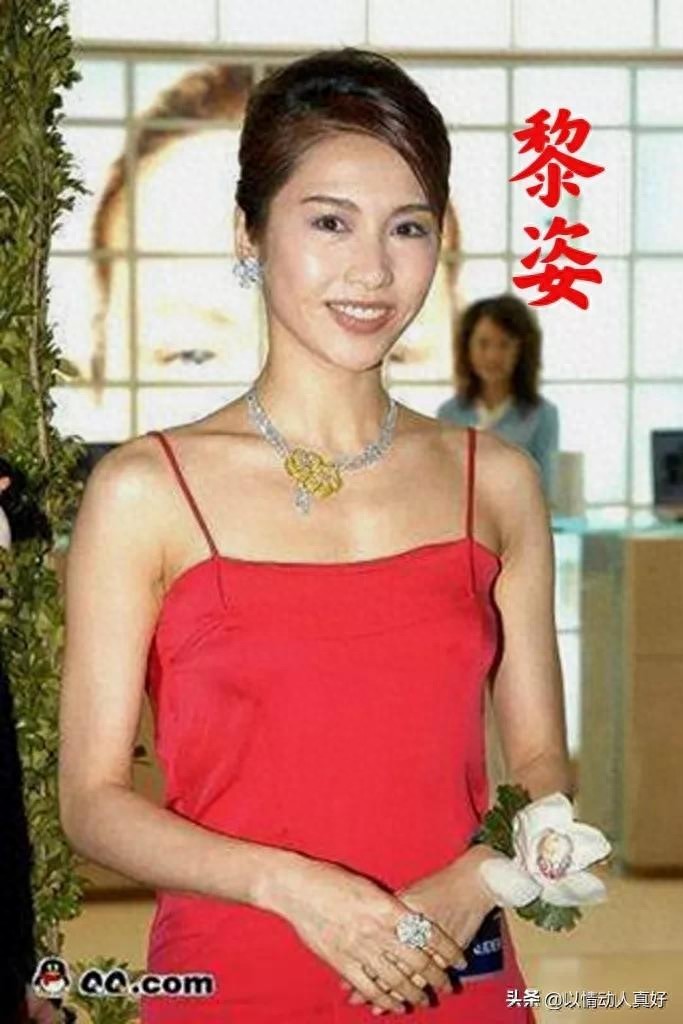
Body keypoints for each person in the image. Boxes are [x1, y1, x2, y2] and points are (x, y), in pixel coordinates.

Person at [59, 47, 573, 1022]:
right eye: (329, 221)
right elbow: (92, 801)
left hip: (452, 973)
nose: (371, 270)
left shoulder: (494, 481)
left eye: (406, 227)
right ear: (247, 232)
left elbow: (543, 765)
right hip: (236, 978)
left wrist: (471, 882)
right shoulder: (145, 492)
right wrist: (295, 888)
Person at [437, 294, 560, 499]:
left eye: (504, 344)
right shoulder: (449, 413)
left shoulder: (543, 415)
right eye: (483, 344)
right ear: (467, 348)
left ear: (521, 350)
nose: (493, 356)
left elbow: (543, 490)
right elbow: (444, 484)